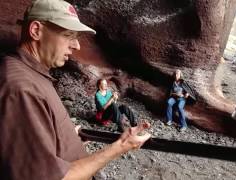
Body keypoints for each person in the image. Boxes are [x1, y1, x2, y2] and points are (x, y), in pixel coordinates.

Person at [0, 0, 151, 179]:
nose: (77, 45)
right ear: (36, 30)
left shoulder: (33, 73)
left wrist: (65, 139)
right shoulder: (21, 87)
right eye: (69, 35)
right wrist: (121, 146)